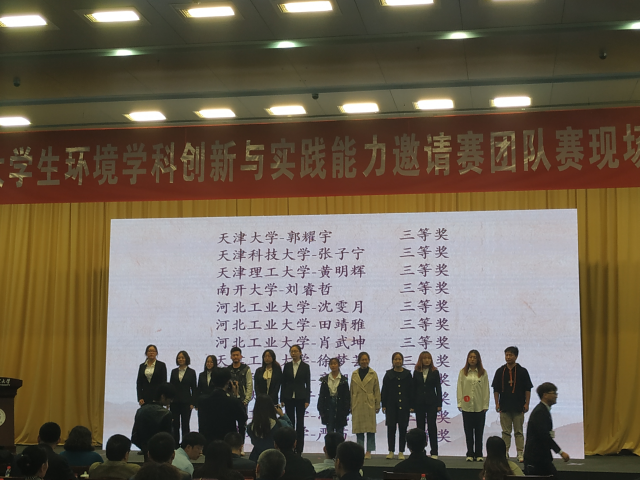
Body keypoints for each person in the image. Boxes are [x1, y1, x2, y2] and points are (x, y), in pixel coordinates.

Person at [492, 346, 533, 463]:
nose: (508, 357)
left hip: (519, 406)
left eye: (510, 355)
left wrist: (527, 404)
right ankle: (505, 452)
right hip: (504, 406)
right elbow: (496, 389)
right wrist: (496, 403)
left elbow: (528, 389)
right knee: (505, 432)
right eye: (506, 355)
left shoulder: (522, 371)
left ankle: (520, 453)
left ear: (516, 356)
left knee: (519, 432)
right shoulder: (500, 371)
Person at [523, 383, 570, 479]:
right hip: (536, 459)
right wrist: (560, 452)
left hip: (541, 458)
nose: (556, 396)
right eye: (554, 393)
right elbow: (544, 436)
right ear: (545, 395)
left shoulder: (543, 410)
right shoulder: (540, 412)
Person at [198, 366, 248, 444]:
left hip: (209, 444)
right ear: (228, 382)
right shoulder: (233, 402)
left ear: (212, 381)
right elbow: (243, 418)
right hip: (228, 443)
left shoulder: (202, 401)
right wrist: (237, 395)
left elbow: (201, 424)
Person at [457, 349, 490, 462]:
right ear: (467, 359)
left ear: (478, 359)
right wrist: (460, 402)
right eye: (470, 357)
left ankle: (479, 454)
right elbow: (459, 388)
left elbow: (486, 390)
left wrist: (485, 405)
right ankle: (470, 453)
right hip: (467, 406)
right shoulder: (463, 372)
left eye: (474, 357)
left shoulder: (483, 372)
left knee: (479, 432)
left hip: (480, 407)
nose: (472, 359)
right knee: (468, 432)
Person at [381, 352, 413, 460]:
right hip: (391, 405)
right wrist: (384, 404)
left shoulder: (407, 374)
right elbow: (384, 390)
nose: (398, 361)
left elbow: (411, 390)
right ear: (392, 361)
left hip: (404, 405)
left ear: (402, 361)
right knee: (391, 429)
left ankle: (401, 451)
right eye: (395, 359)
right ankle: (391, 450)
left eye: (399, 359)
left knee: (403, 429)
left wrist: (411, 405)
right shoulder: (388, 374)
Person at [280, 344, 311, 454]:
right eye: (291, 351)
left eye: (295, 351)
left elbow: (308, 384)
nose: (293, 353)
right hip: (288, 397)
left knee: (300, 423)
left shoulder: (305, 366)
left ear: (300, 353)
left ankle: (299, 448)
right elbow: (283, 383)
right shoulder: (287, 366)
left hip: (301, 397)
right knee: (290, 422)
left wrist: (307, 400)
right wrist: (282, 398)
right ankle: (290, 447)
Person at [131, 382, 176, 457]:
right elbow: (168, 439)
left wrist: (145, 449)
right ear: (163, 396)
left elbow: (134, 437)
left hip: (145, 452)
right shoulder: (166, 414)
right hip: (161, 455)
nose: (171, 401)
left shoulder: (140, 411)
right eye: (170, 399)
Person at [350, 351, 380, 460]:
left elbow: (377, 390)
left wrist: (377, 404)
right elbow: (351, 391)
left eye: (366, 359)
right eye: (362, 359)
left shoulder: (373, 373)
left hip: (369, 403)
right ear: (359, 361)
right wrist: (351, 405)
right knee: (359, 430)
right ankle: (360, 450)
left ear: (369, 360)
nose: (364, 361)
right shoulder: (354, 374)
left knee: (370, 430)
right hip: (357, 403)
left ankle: (369, 451)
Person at [412, 351, 443, 459]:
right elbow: (413, 389)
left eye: (429, 358)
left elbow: (438, 388)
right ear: (421, 360)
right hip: (419, 403)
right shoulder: (416, 372)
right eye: (425, 358)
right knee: (420, 428)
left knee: (432, 426)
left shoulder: (435, 372)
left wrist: (439, 404)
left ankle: (434, 451)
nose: (427, 360)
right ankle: (420, 451)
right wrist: (412, 405)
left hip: (431, 403)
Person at [247, 394, 293, 461]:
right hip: (276, 459)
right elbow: (290, 431)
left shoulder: (250, 427)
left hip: (256, 459)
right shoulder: (280, 424)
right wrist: (282, 415)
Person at [169, 350, 198, 445]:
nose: (180, 359)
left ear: (186, 359)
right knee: (175, 424)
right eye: (179, 358)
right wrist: (169, 401)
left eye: (182, 357)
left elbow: (194, 388)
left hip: (186, 402)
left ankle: (185, 444)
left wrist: (193, 402)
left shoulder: (191, 372)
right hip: (174, 402)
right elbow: (171, 387)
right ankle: (175, 445)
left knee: (185, 424)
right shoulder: (174, 371)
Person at [317, 357, 350, 436]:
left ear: (338, 365)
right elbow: (322, 395)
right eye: (331, 364)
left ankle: (340, 444)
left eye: (335, 364)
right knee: (330, 431)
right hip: (328, 406)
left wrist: (346, 409)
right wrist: (321, 409)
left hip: (340, 406)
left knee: (339, 431)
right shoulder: (325, 380)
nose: (333, 366)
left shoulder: (343, 380)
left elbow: (346, 396)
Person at [228, 346, 253, 440]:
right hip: (230, 401)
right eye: (233, 355)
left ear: (241, 356)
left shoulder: (246, 369)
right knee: (230, 424)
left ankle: (241, 444)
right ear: (231, 356)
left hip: (242, 401)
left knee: (242, 424)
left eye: (237, 355)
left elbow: (249, 384)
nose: (235, 357)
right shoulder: (227, 370)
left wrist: (246, 400)